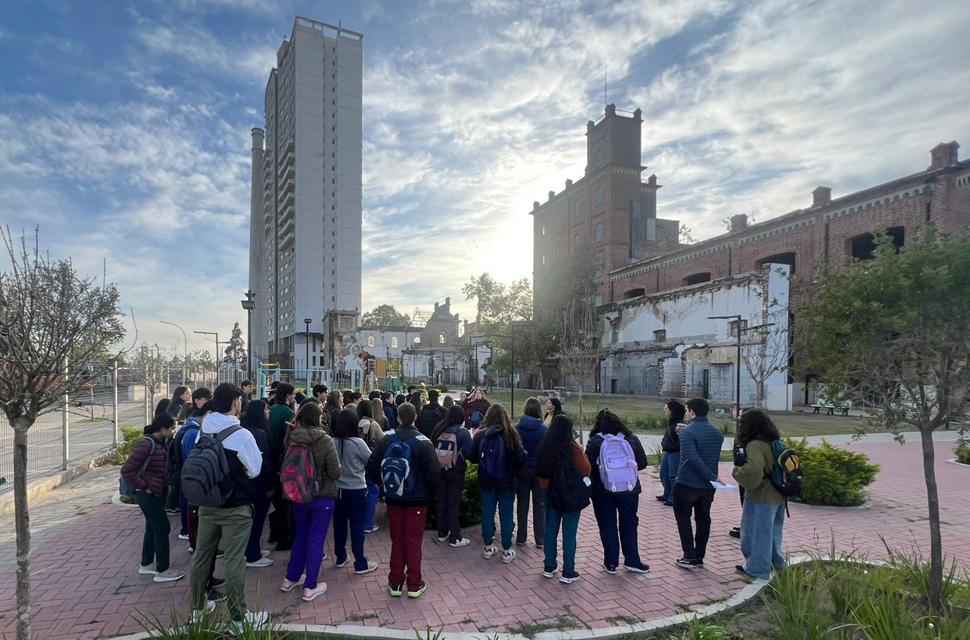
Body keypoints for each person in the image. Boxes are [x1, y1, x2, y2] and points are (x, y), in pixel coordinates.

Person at [189, 383, 266, 626]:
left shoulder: (204, 429)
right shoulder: (241, 435)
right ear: (235, 402)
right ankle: (238, 617)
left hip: (207, 504)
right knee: (234, 561)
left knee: (202, 556)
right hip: (235, 507)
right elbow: (254, 470)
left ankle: (197, 610)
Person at [366, 402, 440, 598]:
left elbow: (372, 466)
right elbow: (434, 474)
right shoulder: (424, 442)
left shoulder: (386, 439)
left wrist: (383, 488)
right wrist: (427, 495)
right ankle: (414, 584)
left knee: (397, 541)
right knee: (414, 542)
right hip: (417, 502)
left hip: (394, 499)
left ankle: (395, 583)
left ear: (398, 418)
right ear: (415, 416)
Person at [281, 402, 341, 601]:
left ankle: (290, 578)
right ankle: (310, 586)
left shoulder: (291, 437)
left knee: (301, 535)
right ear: (318, 418)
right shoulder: (325, 440)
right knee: (316, 539)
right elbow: (334, 472)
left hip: (298, 494)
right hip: (322, 495)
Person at [585, 409, 650, 574]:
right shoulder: (631, 439)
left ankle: (611, 562)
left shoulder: (595, 442)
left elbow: (588, 467)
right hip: (629, 489)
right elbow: (642, 463)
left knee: (607, 524)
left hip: (602, 491)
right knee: (629, 523)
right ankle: (632, 560)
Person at [122, 413, 184, 583]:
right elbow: (127, 470)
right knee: (162, 527)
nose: (174, 431)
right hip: (147, 494)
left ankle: (147, 563)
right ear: (162, 428)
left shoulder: (160, 443)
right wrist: (145, 486)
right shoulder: (146, 444)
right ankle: (162, 569)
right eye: (172, 428)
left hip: (156, 492)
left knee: (152, 527)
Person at [468, 404, 527, 563]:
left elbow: (471, 456)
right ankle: (507, 550)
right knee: (506, 515)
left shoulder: (481, 435)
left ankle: (488, 547)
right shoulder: (511, 435)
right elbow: (521, 459)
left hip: (486, 482)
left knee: (487, 513)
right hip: (507, 483)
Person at [536, 414, 591, 584]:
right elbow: (586, 469)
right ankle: (568, 571)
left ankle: (549, 565)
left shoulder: (545, 445)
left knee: (550, 530)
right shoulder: (573, 448)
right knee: (569, 532)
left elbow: (541, 471)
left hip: (550, 493)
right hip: (570, 494)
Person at [732, 410, 786, 580]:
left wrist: (737, 472)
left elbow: (754, 471)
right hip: (779, 494)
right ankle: (776, 563)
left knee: (755, 533)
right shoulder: (776, 442)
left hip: (761, 495)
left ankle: (758, 569)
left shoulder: (755, 445)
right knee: (773, 532)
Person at [673, 398, 725, 570]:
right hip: (707, 487)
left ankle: (689, 556)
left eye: (688, 410)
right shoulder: (716, 432)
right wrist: (712, 478)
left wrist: (711, 476)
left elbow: (692, 457)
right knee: (703, 519)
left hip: (687, 482)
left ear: (692, 412)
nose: (686, 413)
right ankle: (699, 555)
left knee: (683, 519)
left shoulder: (687, 433)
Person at [332, 408, 379, 575]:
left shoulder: (332, 441)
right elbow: (371, 461)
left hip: (337, 490)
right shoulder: (358, 443)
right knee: (357, 527)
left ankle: (340, 556)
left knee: (339, 525)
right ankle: (360, 562)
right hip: (357, 490)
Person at [430, 405, 473, 547]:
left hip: (440, 470)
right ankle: (455, 537)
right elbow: (469, 453)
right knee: (453, 504)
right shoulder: (463, 433)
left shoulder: (439, 428)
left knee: (441, 501)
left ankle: (442, 533)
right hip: (456, 470)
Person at [241, 400, 275, 569]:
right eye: (266, 409)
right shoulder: (259, 434)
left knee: (252, 519)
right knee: (258, 519)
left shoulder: (244, 430)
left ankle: (252, 549)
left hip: (247, 483)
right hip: (259, 484)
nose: (268, 412)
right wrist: (270, 485)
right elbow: (265, 462)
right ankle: (252, 554)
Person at [514, 397, 548, 548]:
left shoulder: (517, 428)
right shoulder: (543, 430)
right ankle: (540, 539)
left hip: (521, 470)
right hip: (538, 471)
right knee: (539, 505)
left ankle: (521, 537)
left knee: (522, 504)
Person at [267, 382, 296, 551]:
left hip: (272, 459)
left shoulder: (272, 410)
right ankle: (285, 537)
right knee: (285, 502)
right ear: (287, 396)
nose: (294, 398)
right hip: (284, 459)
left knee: (275, 500)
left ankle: (274, 533)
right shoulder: (287, 412)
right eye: (292, 395)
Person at [357, 400, 384, 533]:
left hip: (357, 463)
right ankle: (367, 523)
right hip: (371, 462)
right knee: (373, 492)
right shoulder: (374, 425)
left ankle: (358, 520)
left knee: (361, 492)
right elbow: (383, 442)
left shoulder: (355, 423)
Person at [657, 400, 686, 506]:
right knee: (664, 474)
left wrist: (670, 445)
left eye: (667, 409)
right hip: (668, 451)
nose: (665, 411)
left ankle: (674, 498)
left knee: (672, 475)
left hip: (675, 452)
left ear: (672, 411)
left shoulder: (679, 424)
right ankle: (667, 493)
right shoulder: (671, 422)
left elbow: (681, 441)